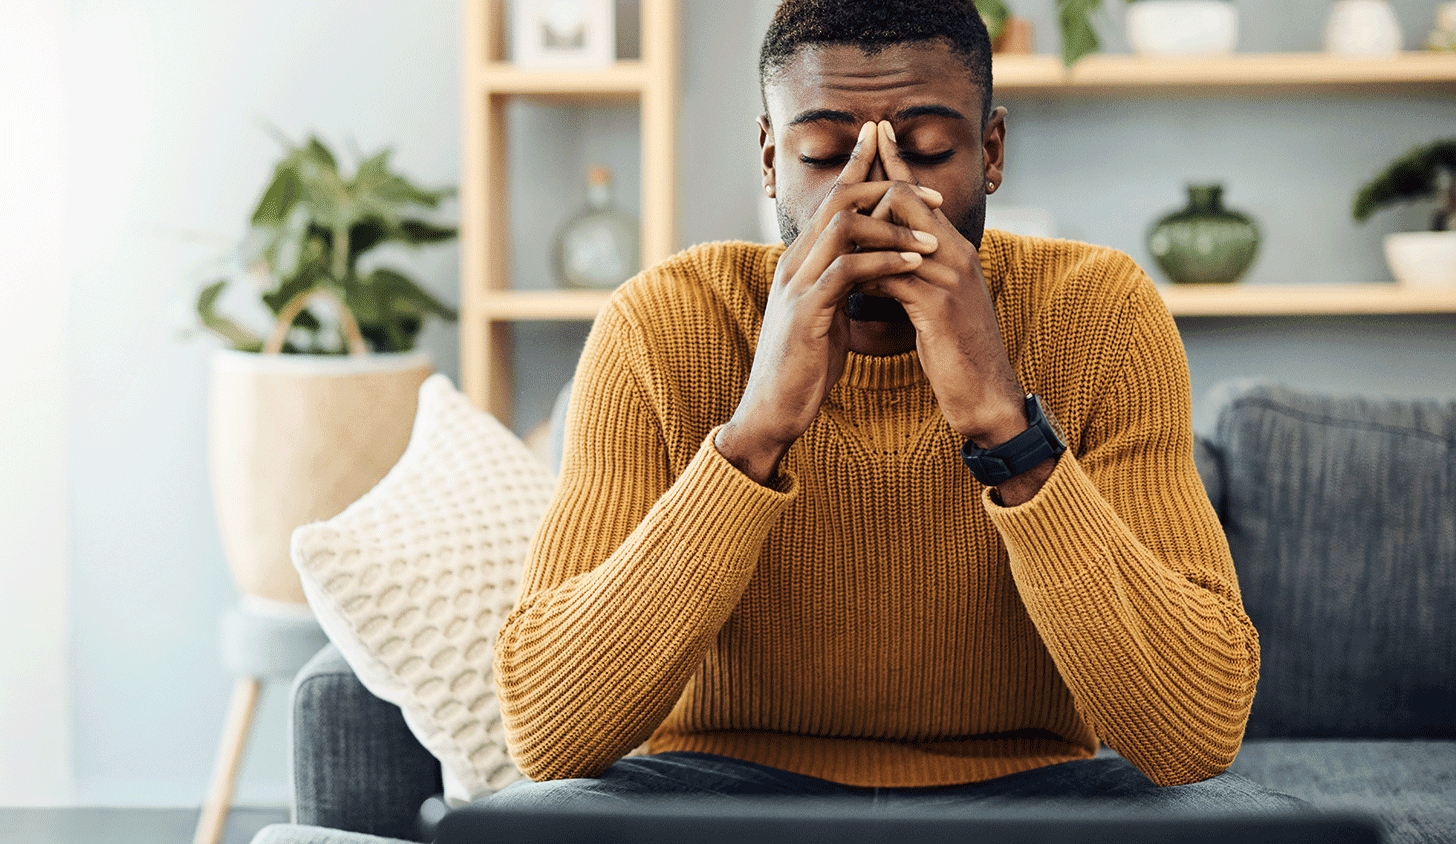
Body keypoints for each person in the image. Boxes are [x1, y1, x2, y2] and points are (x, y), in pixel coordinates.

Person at [484, 0, 1304, 814]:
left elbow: (1193, 737)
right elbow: (554, 736)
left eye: (928, 151)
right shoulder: (659, 324)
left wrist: (1004, 424)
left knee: (1267, 828)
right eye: (824, 153)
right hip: (715, 792)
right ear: (770, 160)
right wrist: (756, 431)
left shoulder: (1101, 313)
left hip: (1030, 790)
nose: (874, 200)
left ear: (990, 152)